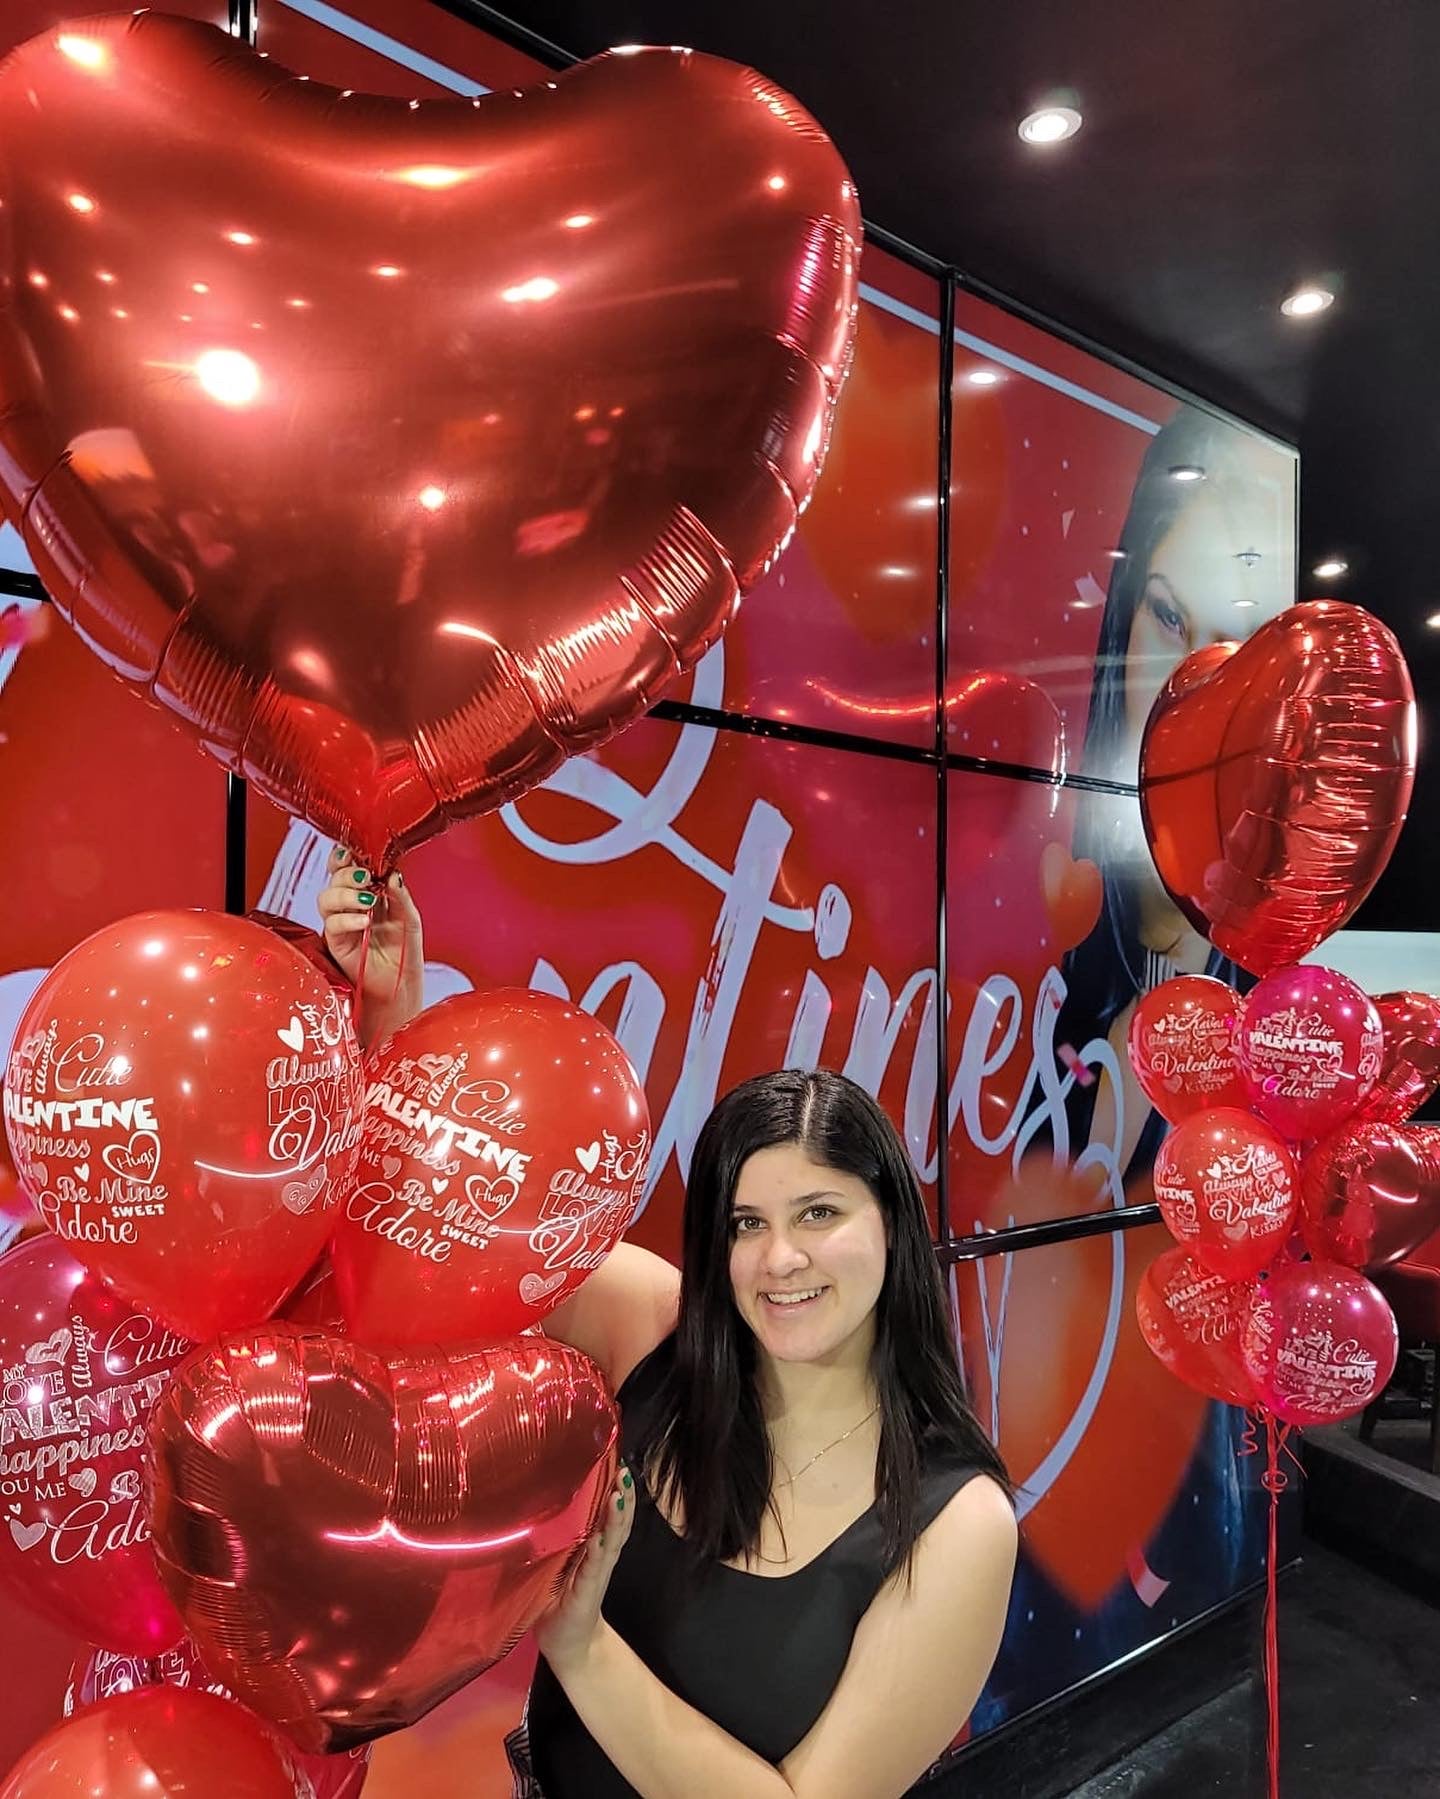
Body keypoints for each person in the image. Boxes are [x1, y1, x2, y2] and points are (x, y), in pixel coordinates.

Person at [319, 849, 1017, 1799]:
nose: (781, 1259)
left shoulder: (957, 1523)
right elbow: (457, 1245)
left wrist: (582, 1644)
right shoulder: (655, 1329)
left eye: (820, 1212)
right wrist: (390, 1018)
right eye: (746, 1224)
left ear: (891, 1223)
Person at [1058, 404, 1293, 1188]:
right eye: (1168, 617)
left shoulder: (1292, 986)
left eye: (1238, 647)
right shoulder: (1037, 911)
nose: (1194, 687)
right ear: (1124, 617)